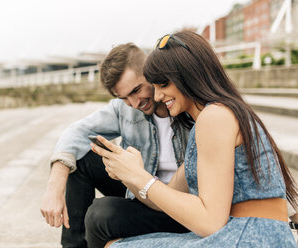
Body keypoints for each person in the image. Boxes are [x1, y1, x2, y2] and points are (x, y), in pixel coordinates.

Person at [91, 30, 298, 247]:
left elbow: (210, 221)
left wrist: (140, 177)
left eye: (163, 85)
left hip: (251, 236)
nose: (158, 96)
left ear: (187, 75)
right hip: (249, 232)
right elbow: (163, 199)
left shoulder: (215, 116)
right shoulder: (212, 119)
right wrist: (130, 175)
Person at [40, 43, 193, 248]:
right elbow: (76, 132)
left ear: (151, 71)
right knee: (80, 157)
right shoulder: (125, 109)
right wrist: (54, 187)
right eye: (124, 97)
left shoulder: (189, 108)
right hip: (141, 194)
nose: (135, 103)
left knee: (100, 214)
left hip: (178, 207)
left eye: (136, 90)